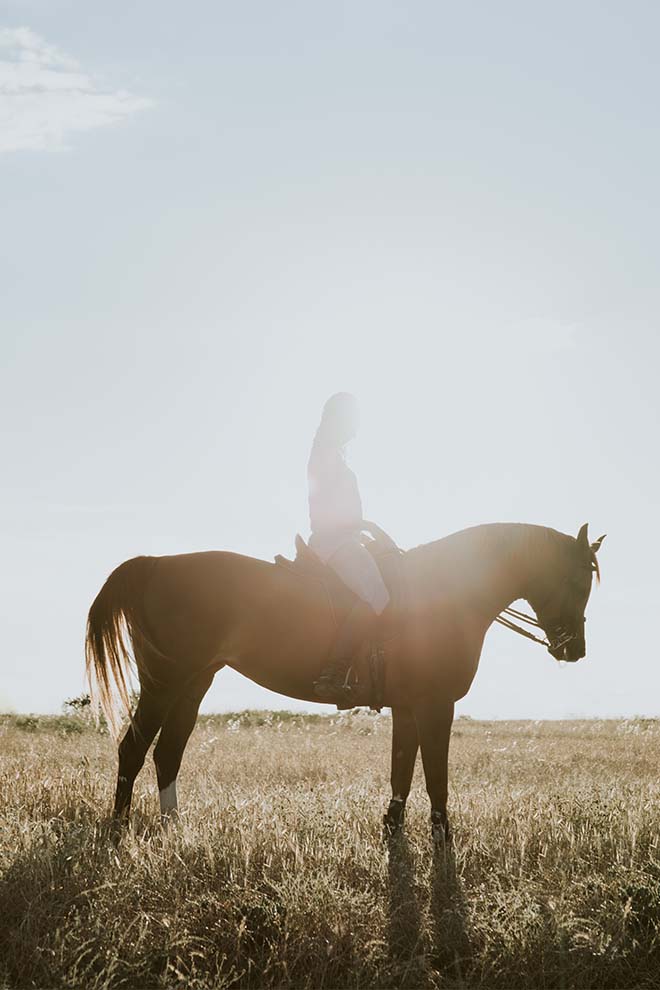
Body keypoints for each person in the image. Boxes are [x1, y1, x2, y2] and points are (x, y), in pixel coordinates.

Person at [308, 392, 390, 702]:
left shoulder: (333, 454)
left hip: (346, 538)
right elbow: (326, 511)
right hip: (334, 541)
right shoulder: (326, 455)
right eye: (353, 419)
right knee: (378, 595)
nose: (357, 426)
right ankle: (333, 672)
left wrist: (363, 530)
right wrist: (363, 527)